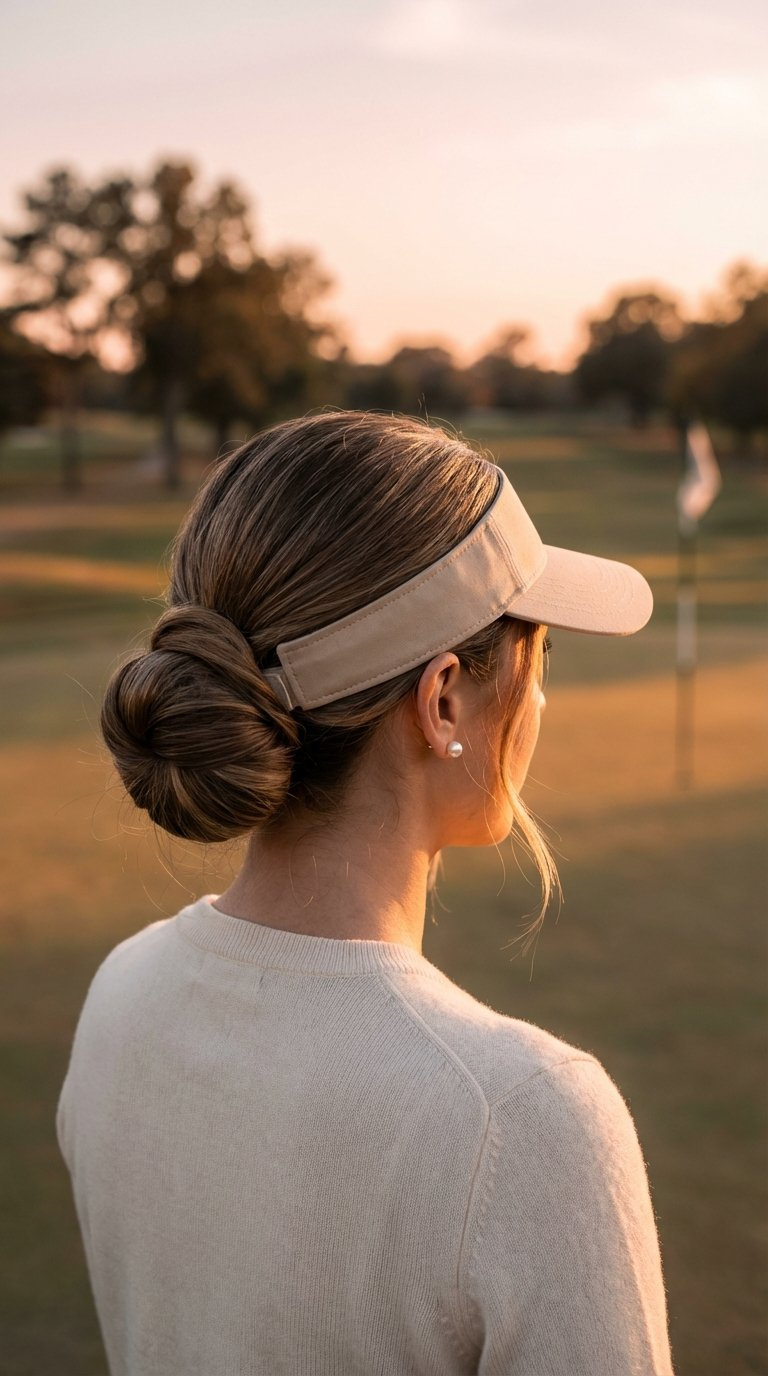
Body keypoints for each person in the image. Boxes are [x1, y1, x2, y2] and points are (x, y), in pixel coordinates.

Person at [56, 410, 675, 1375]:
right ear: (443, 699)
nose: (542, 696)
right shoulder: (521, 1120)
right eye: (540, 654)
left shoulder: (120, 995)